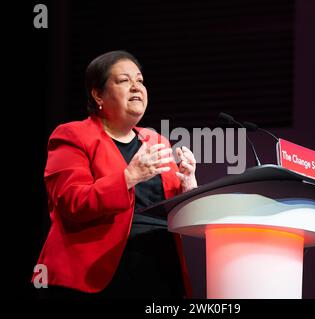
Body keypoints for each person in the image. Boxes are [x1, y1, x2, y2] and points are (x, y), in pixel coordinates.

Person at [33, 50, 198, 298]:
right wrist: (128, 177)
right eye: (124, 80)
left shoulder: (156, 140)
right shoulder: (72, 135)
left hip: (162, 266)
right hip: (102, 270)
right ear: (98, 94)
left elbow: (177, 212)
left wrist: (188, 185)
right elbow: (71, 202)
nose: (136, 87)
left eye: (140, 81)